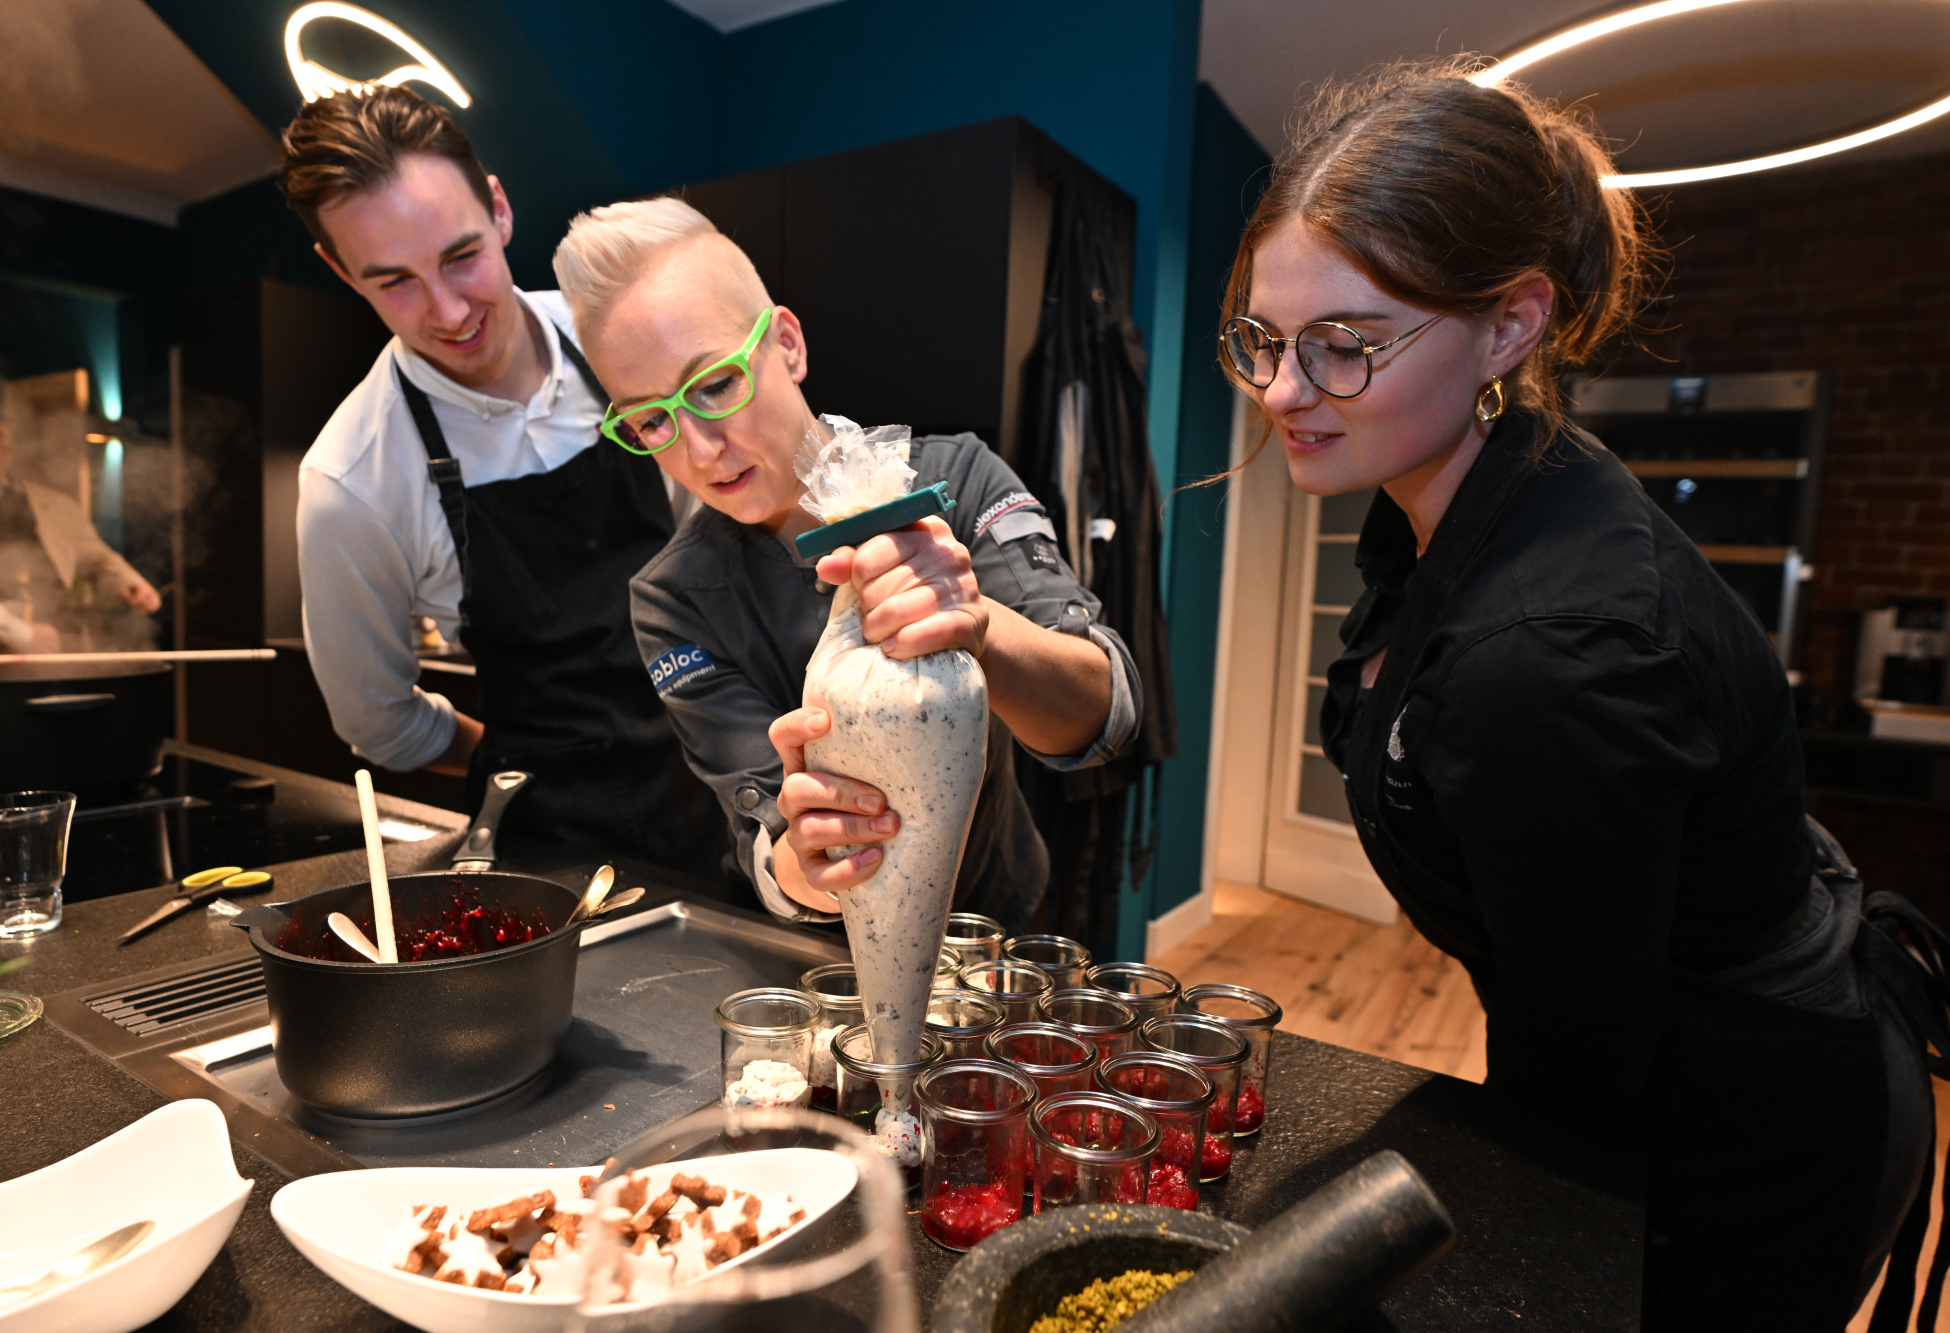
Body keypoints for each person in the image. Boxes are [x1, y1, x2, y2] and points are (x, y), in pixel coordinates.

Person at [1214, 61, 1937, 1329]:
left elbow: (1579, 1063)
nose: (1281, 392)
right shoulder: (1476, 488)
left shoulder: (1546, 650)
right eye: (1265, 341)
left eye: (1342, 346)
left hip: (1741, 1131)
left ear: (1509, 327)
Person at [552, 198, 1142, 926]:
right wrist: (813, 854)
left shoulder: (957, 480)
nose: (699, 451)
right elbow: (769, 835)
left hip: (999, 935)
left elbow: (1104, 714)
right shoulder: (675, 598)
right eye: (651, 420)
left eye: (713, 386)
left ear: (788, 345)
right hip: (822, 963)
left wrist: (978, 628)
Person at [280, 87, 720, 874]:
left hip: (741, 803)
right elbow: (379, 722)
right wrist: (529, 756)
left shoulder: (628, 342)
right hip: (556, 861)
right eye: (395, 282)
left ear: (499, 208)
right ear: (342, 272)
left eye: (461, 256)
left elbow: (743, 536)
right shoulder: (351, 483)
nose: (449, 311)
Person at [0, 397, 159, 654]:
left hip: (44, 646)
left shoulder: (53, 506)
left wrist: (127, 583)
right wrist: (18, 633)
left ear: (4, 445)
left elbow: (93, 556)